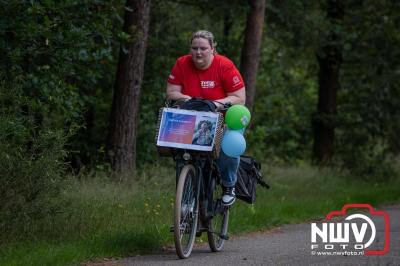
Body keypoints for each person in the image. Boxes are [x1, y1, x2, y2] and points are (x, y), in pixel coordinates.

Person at [166, 30, 246, 206]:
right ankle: (186, 198)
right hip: (193, 116)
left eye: (203, 48)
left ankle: (228, 185)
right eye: (194, 48)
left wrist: (216, 103)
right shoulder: (182, 63)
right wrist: (190, 100)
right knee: (181, 155)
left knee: (227, 147)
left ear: (212, 48)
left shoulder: (224, 65)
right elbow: (171, 92)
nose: (198, 52)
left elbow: (240, 97)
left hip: (224, 117)